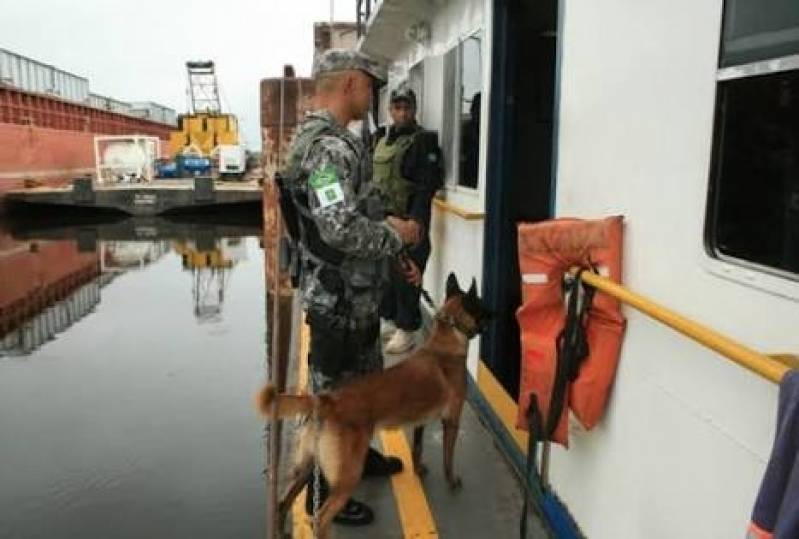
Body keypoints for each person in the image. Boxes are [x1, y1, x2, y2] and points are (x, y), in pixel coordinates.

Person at [279, 49, 422, 527]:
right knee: (331, 402)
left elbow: (360, 208)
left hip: (356, 294)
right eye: (369, 85)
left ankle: (363, 459)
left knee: (365, 384)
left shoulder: (331, 140)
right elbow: (338, 227)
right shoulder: (329, 150)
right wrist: (395, 236)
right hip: (337, 299)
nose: (373, 95)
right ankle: (321, 496)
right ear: (349, 85)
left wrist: (393, 249)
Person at [374, 86, 443, 353]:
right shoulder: (381, 138)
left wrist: (415, 222)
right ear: (390, 110)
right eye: (397, 107)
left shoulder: (423, 141)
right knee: (388, 276)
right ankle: (394, 322)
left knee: (408, 274)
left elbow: (426, 186)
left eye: (407, 108)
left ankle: (409, 329)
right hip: (386, 219)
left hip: (409, 220)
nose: (402, 113)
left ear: (415, 109)